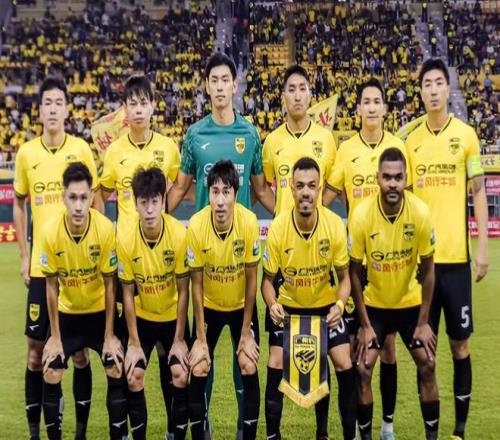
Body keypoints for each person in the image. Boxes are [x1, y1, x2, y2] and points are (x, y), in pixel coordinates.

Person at [168, 53, 274, 439]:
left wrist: (292, 219)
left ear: (234, 84)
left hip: (240, 260)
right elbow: (179, 188)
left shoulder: (250, 135)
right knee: (202, 358)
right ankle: (204, 425)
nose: (218, 86)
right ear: (206, 86)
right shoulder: (195, 135)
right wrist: (150, 219)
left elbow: (260, 190)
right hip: (206, 261)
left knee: (245, 359)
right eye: (212, 80)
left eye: (224, 79)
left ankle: (245, 429)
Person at [13, 76, 99, 440]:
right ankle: (36, 433)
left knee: (78, 355)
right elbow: (19, 203)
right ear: (39, 110)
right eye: (46, 103)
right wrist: (24, 255)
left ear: (67, 109)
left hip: (77, 268)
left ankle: (79, 431)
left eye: (58, 103)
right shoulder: (26, 154)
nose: (52, 109)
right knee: (36, 354)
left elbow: (96, 199)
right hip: (41, 268)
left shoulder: (80, 149)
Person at [406, 58, 489, 440]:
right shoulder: (411, 141)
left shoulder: (467, 136)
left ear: (447, 88)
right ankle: (432, 434)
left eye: (439, 82)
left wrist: (482, 247)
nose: (434, 89)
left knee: (460, 347)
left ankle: (459, 431)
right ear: (421, 91)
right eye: (428, 84)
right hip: (422, 266)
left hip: (456, 262)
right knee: (425, 353)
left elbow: (478, 193)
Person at [100, 74, 180, 438]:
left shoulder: (168, 148)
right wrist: (107, 232)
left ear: (153, 106)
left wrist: (165, 221)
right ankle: (125, 426)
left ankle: (173, 427)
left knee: (167, 355)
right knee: (123, 356)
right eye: (131, 103)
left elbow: (177, 187)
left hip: (160, 258)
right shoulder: (114, 152)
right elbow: (100, 192)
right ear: (125, 109)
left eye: (144, 102)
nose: (138, 109)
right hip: (126, 262)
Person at [261, 65, 338, 436]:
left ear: (310, 94)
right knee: (276, 356)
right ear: (283, 97)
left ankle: (322, 432)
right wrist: (283, 213)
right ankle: (272, 432)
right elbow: (264, 187)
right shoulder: (271, 142)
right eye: (290, 89)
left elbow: (332, 185)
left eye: (302, 88)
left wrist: (317, 213)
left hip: (317, 251)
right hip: (284, 251)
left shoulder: (326, 139)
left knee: (321, 351)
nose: (296, 94)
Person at [330, 78, 408, 440]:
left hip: (390, 261)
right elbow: (328, 194)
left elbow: (410, 201)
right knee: (358, 352)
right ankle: (360, 430)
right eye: (367, 102)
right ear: (358, 109)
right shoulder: (346, 150)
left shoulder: (398, 148)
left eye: (378, 101)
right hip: (355, 263)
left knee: (388, 347)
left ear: (385, 109)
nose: (373, 107)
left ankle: (387, 426)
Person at [262, 157, 356, 440]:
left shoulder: (334, 225)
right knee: (275, 361)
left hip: (325, 307)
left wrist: (339, 305)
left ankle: (332, 434)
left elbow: (345, 278)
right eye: (300, 185)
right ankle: (273, 435)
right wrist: (272, 304)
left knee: (344, 362)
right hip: (288, 308)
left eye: (312, 186)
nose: (306, 192)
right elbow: (267, 282)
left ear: (319, 189)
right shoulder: (278, 227)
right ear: (291, 188)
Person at [349, 147, 440, 440]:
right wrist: (364, 325)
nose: (392, 184)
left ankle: (432, 436)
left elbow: (429, 270)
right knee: (363, 368)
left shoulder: (420, 212)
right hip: (375, 307)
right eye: (387, 177)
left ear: (405, 178)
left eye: (398, 178)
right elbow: (354, 272)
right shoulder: (362, 215)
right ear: (377, 178)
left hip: (410, 305)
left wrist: (424, 322)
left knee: (428, 363)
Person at [40, 162, 127, 440]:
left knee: (115, 365)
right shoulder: (50, 231)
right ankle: (78, 434)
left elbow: (111, 284)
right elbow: (51, 286)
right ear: (63, 197)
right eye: (73, 198)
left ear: (91, 197)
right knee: (51, 369)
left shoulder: (104, 229)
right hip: (67, 315)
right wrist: (55, 337)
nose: (78, 206)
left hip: (99, 313)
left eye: (83, 198)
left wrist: (110, 335)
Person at [186, 160, 261, 440]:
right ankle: (201, 431)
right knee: (199, 365)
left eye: (226, 192)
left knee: (248, 362)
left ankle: (246, 431)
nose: (219, 201)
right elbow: (195, 284)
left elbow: (252, 280)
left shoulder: (248, 222)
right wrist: (200, 338)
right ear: (208, 193)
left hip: (241, 306)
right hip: (209, 306)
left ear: (235, 194)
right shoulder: (196, 225)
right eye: (215, 192)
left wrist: (246, 332)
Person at [117, 167, 190, 440]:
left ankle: (173, 433)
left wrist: (179, 339)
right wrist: (134, 343)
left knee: (180, 373)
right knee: (133, 374)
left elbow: (184, 290)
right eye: (143, 202)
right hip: (143, 318)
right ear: (135, 203)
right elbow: (127, 293)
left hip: (172, 317)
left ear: (163, 201)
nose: (149, 210)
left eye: (155, 201)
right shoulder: (125, 238)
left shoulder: (178, 234)